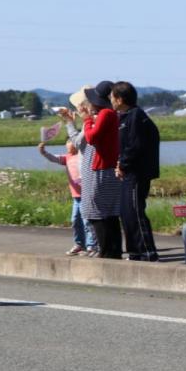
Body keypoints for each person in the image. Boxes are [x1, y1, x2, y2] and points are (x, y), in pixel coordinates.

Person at [63, 81, 123, 259]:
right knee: (109, 213)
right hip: (104, 169)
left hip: (99, 170)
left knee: (95, 212)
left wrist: (84, 119)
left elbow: (86, 139)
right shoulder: (108, 115)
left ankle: (106, 252)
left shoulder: (103, 115)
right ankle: (112, 251)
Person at [111, 81, 161, 262]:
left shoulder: (136, 117)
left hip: (137, 173)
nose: (111, 100)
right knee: (126, 212)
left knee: (135, 212)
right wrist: (120, 164)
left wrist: (122, 165)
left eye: (112, 97)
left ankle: (147, 252)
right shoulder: (125, 117)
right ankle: (134, 252)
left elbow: (135, 146)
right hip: (128, 172)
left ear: (120, 99)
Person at [37, 136, 97, 256]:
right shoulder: (67, 158)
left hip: (86, 195)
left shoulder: (83, 156)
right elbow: (53, 158)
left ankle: (91, 246)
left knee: (87, 222)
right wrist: (43, 152)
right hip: (76, 197)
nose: (69, 147)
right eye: (67, 144)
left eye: (71, 144)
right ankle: (79, 244)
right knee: (75, 220)